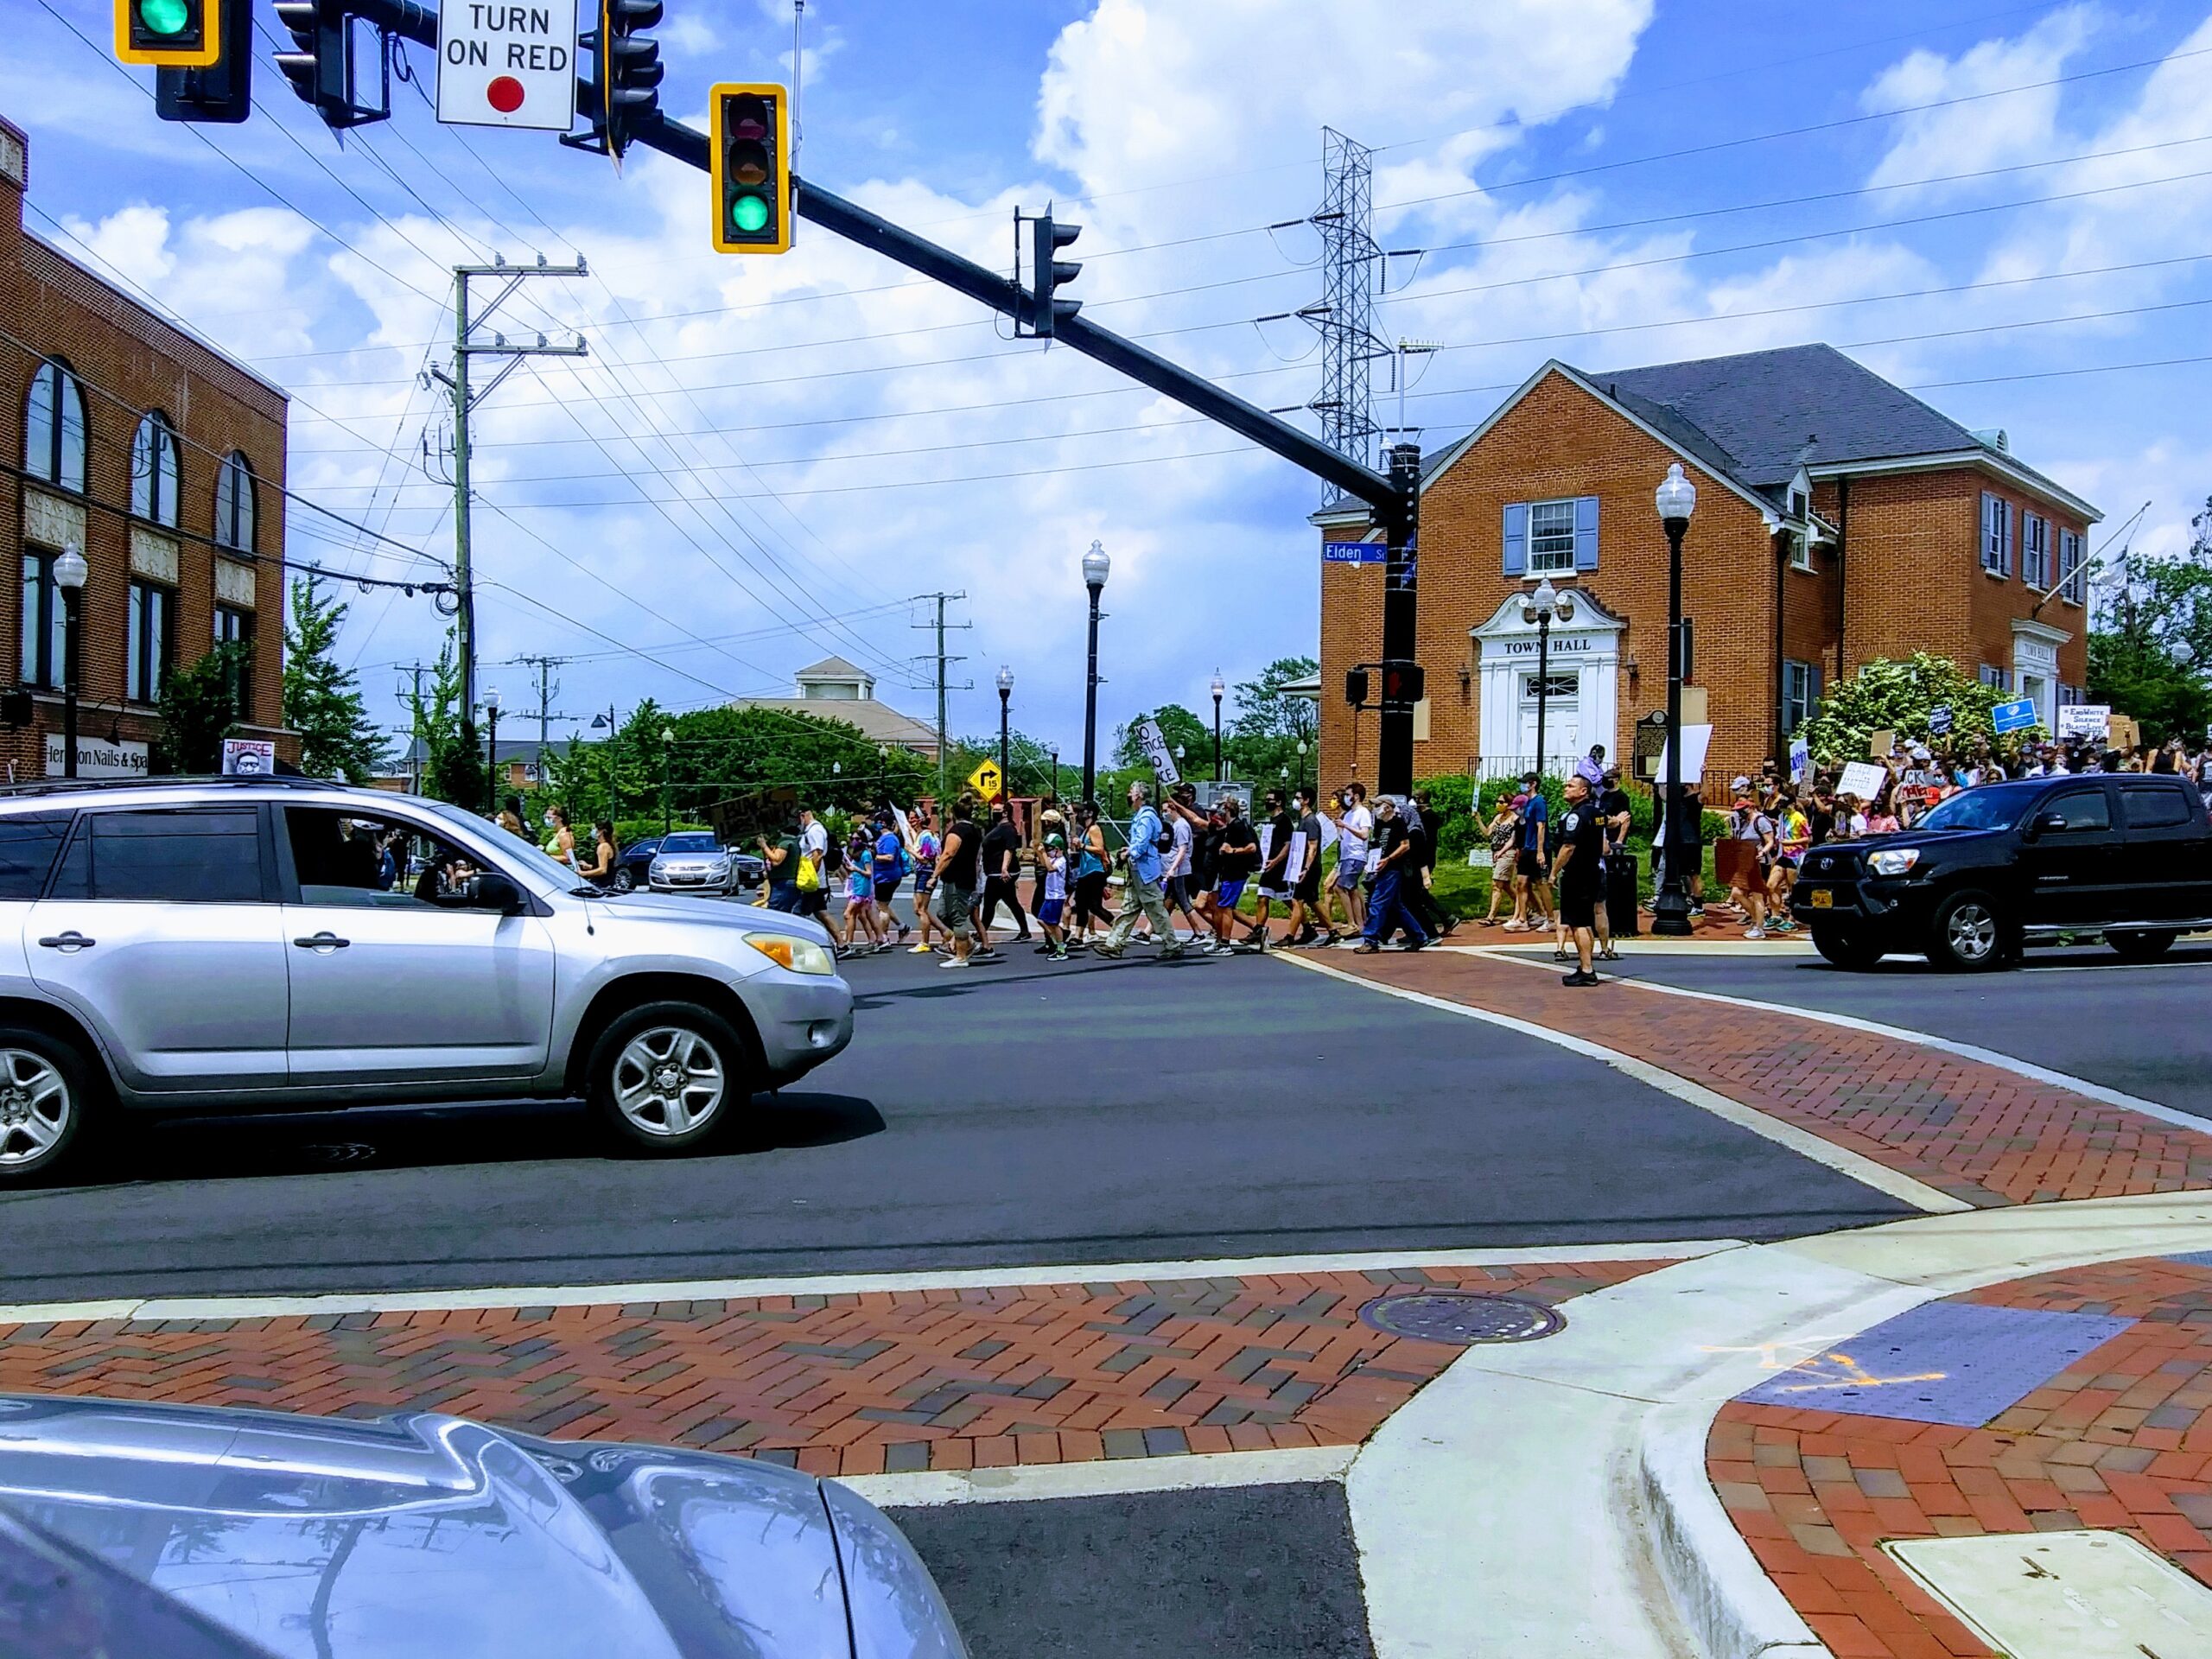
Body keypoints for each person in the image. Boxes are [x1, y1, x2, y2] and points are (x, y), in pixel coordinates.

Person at [1095, 781, 1182, 960]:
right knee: (1130, 907)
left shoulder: (1146, 818)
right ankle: (1114, 944)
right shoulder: (1142, 816)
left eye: (1131, 792)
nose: (1129, 796)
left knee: (1155, 909)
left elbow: (1142, 844)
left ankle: (1172, 945)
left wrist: (1129, 853)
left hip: (1145, 871)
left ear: (1139, 796)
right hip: (1139, 870)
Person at [1353, 796, 1430, 954]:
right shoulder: (1380, 824)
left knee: (1377, 903)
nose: (1374, 808)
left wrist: (1388, 859)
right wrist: (1372, 862)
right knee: (1396, 906)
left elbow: (1405, 846)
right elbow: (1377, 845)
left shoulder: (1398, 822)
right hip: (1380, 868)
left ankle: (1370, 940)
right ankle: (1420, 936)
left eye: (1377, 805)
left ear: (1387, 807)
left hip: (1393, 869)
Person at [1552, 773, 1607, 986]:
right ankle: (1586, 966)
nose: (1565, 788)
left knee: (1578, 923)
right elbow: (1607, 823)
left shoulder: (1575, 816)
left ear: (1583, 791)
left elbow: (1568, 847)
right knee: (1585, 921)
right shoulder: (1596, 812)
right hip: (1593, 872)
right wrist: (1618, 822)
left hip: (1578, 874)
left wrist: (1554, 872)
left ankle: (1587, 970)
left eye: (1570, 785)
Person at [931, 795, 985, 968]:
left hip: (958, 880)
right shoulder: (975, 831)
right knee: (943, 913)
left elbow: (948, 855)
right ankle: (969, 943)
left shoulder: (957, 831)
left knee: (957, 917)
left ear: (954, 814)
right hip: (959, 878)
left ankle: (961, 957)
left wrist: (934, 875)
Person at [1285, 786, 1338, 948]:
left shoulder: (1310, 821)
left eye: (1298, 798)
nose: (1296, 801)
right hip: (1303, 866)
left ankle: (1289, 936)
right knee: (1312, 900)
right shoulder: (1303, 819)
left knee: (1297, 900)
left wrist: (1306, 869)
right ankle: (1333, 931)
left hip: (1310, 868)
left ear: (1307, 801)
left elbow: (1313, 847)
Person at [975, 802, 1030, 956]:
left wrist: (1004, 868)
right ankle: (1024, 931)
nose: (994, 812)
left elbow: (1009, 849)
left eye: (997, 810)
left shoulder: (1008, 829)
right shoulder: (998, 828)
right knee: (1011, 901)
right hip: (995, 871)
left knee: (990, 904)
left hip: (1001, 873)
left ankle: (982, 932)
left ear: (1005, 813)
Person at [1245, 788, 1296, 950]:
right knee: (1262, 897)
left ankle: (1306, 926)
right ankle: (1258, 929)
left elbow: (1288, 845)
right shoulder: (1271, 821)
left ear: (1279, 802)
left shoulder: (1284, 821)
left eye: (1270, 799)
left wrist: (1276, 860)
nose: (1267, 802)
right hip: (1268, 867)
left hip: (1280, 867)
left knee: (1289, 900)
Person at [1213, 796, 1261, 951]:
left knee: (1226, 907)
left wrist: (1232, 850)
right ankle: (1220, 940)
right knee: (1222, 906)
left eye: (1221, 807)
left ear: (1227, 809)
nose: (1218, 811)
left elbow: (1252, 847)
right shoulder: (1230, 827)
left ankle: (1225, 943)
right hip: (1228, 872)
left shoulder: (1238, 826)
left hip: (1236, 873)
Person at [1505, 772, 1552, 931]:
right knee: (1521, 883)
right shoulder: (1528, 803)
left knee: (1541, 883)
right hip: (1526, 848)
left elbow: (1541, 826)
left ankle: (1550, 918)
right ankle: (1522, 919)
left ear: (1533, 784)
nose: (1522, 786)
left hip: (1537, 849)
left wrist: (1540, 851)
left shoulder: (1539, 802)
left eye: (1525, 783)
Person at [1599, 766, 1634, 954]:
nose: (1606, 780)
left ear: (1616, 779)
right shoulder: (1603, 797)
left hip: (1613, 839)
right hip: (1604, 838)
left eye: (1608, 778)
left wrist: (1619, 841)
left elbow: (1625, 819)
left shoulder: (1621, 797)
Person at [1069, 804, 1113, 948]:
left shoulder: (1094, 829)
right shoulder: (1086, 830)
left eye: (1083, 811)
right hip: (1084, 871)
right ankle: (1078, 936)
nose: (1081, 813)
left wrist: (1082, 846)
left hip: (1095, 871)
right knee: (1081, 904)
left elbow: (1099, 849)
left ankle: (1117, 928)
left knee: (1095, 906)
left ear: (1091, 813)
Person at [1331, 785, 1371, 936]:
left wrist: (1346, 826)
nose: (1346, 798)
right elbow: (1344, 837)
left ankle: (1351, 923)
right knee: (1353, 890)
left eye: (1348, 795)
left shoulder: (1363, 812)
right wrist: (1340, 830)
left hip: (1356, 855)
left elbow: (1364, 834)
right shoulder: (1348, 815)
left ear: (1356, 796)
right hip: (1346, 855)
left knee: (1339, 887)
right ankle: (1360, 925)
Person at [871, 813, 912, 948]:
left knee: (882, 908)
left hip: (887, 877)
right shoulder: (884, 838)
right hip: (883, 876)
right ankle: (902, 927)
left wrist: (875, 856)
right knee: (882, 905)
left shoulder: (890, 839)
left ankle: (883, 937)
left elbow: (890, 857)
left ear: (883, 823)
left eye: (877, 821)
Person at [1480, 794, 1522, 925]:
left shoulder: (1515, 818)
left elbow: (1513, 839)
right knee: (1506, 886)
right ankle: (1523, 907)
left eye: (1501, 802)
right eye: (1497, 801)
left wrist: (1502, 852)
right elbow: (1488, 832)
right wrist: (1478, 820)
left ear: (1509, 804)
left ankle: (1490, 917)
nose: (1498, 804)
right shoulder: (1498, 818)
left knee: (1496, 884)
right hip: (1496, 852)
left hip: (1508, 853)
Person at [907, 805, 944, 954]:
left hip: (926, 873)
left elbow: (925, 859)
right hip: (921, 873)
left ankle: (925, 942)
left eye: (913, 818)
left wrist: (910, 851)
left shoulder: (927, 836)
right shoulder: (921, 835)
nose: (911, 821)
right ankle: (945, 932)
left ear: (921, 819)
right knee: (918, 908)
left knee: (921, 909)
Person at [841, 831, 884, 954]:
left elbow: (868, 873)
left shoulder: (866, 854)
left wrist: (855, 869)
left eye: (858, 839)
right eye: (852, 838)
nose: (854, 841)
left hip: (861, 889)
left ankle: (849, 943)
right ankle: (871, 940)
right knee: (859, 915)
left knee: (848, 914)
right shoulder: (856, 855)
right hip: (856, 886)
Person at [1034, 833, 1071, 961]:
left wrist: (1043, 852)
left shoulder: (1061, 861)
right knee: (1041, 920)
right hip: (1049, 896)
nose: (1048, 852)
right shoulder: (1054, 859)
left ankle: (1061, 948)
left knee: (1053, 924)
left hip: (1056, 896)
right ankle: (1058, 940)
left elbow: (1050, 869)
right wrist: (1039, 852)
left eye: (1050, 849)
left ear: (1058, 849)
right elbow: (1044, 864)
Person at [797, 805, 832, 930]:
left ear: (803, 815)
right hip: (814, 881)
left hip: (812, 882)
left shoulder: (814, 831)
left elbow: (817, 855)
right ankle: (841, 944)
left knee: (798, 914)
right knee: (821, 912)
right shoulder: (809, 831)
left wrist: (811, 876)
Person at [759, 817, 802, 912]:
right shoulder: (796, 842)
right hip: (787, 882)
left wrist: (764, 846)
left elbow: (776, 861)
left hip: (784, 883)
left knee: (775, 911)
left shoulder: (785, 842)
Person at [576, 819, 617, 887]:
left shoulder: (603, 847)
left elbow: (602, 870)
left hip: (602, 885)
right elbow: (605, 866)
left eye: (595, 828)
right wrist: (588, 866)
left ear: (601, 831)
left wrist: (583, 873)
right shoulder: (606, 845)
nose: (593, 830)